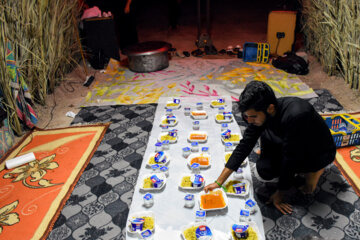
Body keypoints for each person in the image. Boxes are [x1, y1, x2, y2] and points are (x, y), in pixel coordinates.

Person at [204, 81, 336, 214]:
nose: (249, 121)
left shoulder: (297, 114)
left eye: (253, 116)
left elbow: (290, 158)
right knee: (263, 172)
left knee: (296, 171)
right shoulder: (261, 112)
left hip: (316, 151)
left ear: (270, 108)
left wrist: (280, 195)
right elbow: (245, 145)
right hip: (288, 142)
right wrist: (219, 182)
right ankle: (294, 171)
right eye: (246, 116)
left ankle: (315, 171)